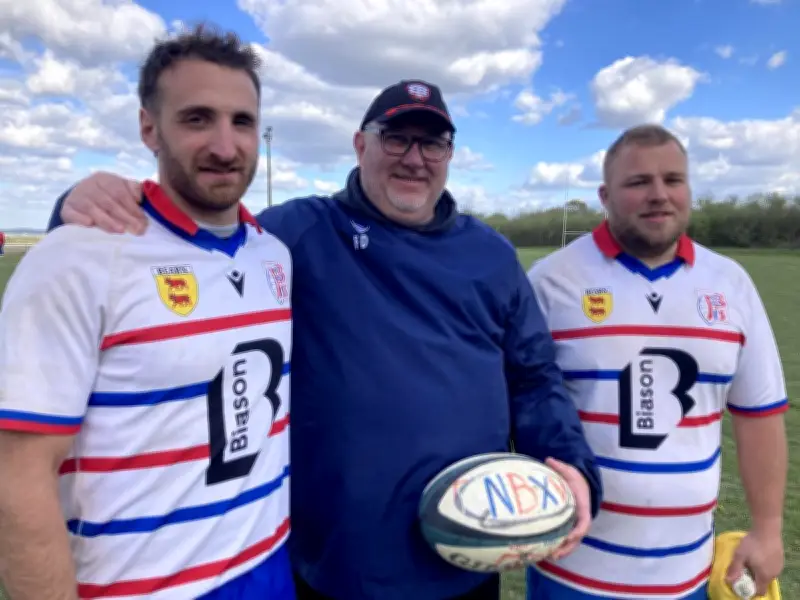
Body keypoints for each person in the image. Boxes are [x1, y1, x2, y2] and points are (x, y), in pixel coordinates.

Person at [45, 79, 603, 599]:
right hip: (335, 563)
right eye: (396, 138)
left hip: (467, 558)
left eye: (433, 143)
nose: (415, 158)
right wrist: (83, 198)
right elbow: (186, 232)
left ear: (450, 155)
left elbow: (533, 376)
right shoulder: (297, 233)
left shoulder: (491, 255)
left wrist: (569, 460)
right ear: (360, 145)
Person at [0, 26, 295, 599]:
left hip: (268, 565)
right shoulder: (77, 258)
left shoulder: (273, 255)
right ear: (148, 127)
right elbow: (17, 473)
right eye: (197, 119)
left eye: (242, 122)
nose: (225, 146)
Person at [525, 124, 788, 600]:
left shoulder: (731, 284)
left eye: (673, 180)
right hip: (570, 570)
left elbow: (759, 414)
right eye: (638, 182)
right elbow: (518, 406)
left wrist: (768, 530)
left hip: (685, 575)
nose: (659, 195)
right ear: (605, 196)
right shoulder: (549, 282)